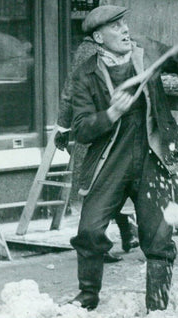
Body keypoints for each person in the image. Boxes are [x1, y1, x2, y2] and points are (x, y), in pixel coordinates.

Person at [67, 4, 178, 312]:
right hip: (110, 158)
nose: (125, 30)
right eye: (115, 27)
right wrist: (110, 113)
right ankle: (88, 295)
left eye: (124, 23)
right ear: (98, 38)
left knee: (159, 236)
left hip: (151, 153)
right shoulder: (86, 74)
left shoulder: (146, 52)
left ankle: (157, 305)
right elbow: (81, 129)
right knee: (89, 230)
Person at [55, 32, 138, 262]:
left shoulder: (89, 50)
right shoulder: (100, 51)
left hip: (101, 133)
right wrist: (64, 125)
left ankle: (119, 234)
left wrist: (62, 125)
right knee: (103, 185)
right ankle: (123, 232)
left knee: (99, 185)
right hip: (101, 127)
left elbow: (69, 91)